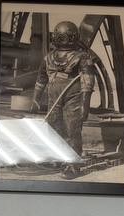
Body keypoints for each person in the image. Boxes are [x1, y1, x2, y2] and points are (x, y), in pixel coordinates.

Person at [32, 20, 96, 157]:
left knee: (72, 128)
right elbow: (41, 78)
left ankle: (72, 160)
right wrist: (36, 99)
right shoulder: (49, 57)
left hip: (72, 98)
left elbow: (87, 82)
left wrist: (85, 104)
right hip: (54, 99)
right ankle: (57, 157)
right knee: (53, 127)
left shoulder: (82, 57)